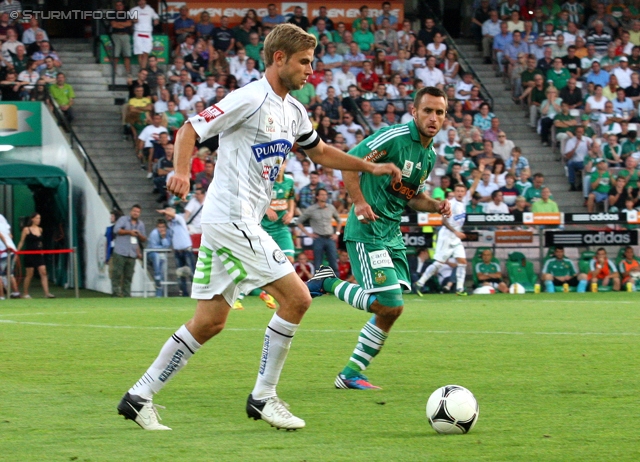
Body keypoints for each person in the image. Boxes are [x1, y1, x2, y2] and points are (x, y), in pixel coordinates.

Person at [117, 23, 402, 431]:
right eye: (304, 62)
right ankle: (263, 397)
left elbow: (319, 152)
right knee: (298, 298)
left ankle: (138, 397)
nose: (311, 70)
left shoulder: (294, 111)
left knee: (211, 320)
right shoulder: (249, 98)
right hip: (231, 217)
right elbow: (190, 129)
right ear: (279, 58)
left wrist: (368, 165)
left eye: (313, 62)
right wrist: (181, 171)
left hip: (236, 220)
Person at [304, 86, 452, 391]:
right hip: (367, 231)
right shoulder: (393, 137)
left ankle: (350, 373)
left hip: (392, 234)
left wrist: (435, 206)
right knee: (389, 302)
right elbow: (348, 163)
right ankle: (327, 282)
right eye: (428, 111)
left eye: (440, 112)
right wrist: (359, 202)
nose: (433, 117)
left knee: (393, 309)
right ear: (414, 112)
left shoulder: (429, 155)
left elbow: (412, 198)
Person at [415, 182, 468, 295]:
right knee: (439, 263)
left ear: (465, 193)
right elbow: (443, 221)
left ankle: (459, 289)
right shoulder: (450, 204)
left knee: (462, 262)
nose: (459, 193)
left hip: (455, 238)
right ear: (454, 192)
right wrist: (456, 232)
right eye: (457, 191)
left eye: (462, 191)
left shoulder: (463, 203)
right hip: (446, 237)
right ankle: (419, 283)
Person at [296, 188, 341, 274]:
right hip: (318, 238)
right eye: (322, 195)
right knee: (318, 264)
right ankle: (318, 284)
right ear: (317, 196)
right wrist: (308, 234)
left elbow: (339, 220)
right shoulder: (311, 209)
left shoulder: (331, 207)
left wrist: (337, 234)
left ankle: (337, 283)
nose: (324, 196)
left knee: (334, 263)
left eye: (325, 194)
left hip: (330, 237)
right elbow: (299, 222)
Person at [111, 204, 146, 298]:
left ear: (140, 213)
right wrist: (129, 232)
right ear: (131, 211)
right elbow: (116, 230)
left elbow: (143, 239)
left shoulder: (140, 224)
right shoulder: (123, 219)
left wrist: (138, 235)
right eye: (134, 211)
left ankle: (126, 295)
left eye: (138, 212)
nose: (136, 213)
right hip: (120, 251)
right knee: (117, 274)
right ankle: (116, 294)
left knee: (128, 276)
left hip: (132, 253)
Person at [16, 213, 54, 299]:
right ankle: (25, 293)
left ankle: (47, 293)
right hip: (29, 254)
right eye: (37, 218)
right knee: (30, 274)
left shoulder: (40, 229)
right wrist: (17, 253)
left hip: (39, 254)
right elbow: (21, 241)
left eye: (39, 218)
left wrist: (41, 250)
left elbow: (40, 242)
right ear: (32, 219)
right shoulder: (26, 229)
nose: (38, 220)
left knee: (43, 272)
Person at [131, 0, 159, 71]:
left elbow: (156, 16)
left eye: (142, 1)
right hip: (138, 32)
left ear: (145, 1)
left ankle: (143, 70)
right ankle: (142, 70)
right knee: (139, 53)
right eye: (139, 1)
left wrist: (156, 20)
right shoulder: (134, 10)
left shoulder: (150, 9)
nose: (141, 3)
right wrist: (134, 20)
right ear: (137, 2)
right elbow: (130, 19)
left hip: (147, 32)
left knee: (145, 53)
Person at [147, 218, 172, 297]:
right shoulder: (154, 233)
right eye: (159, 227)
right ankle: (157, 275)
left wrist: (164, 237)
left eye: (163, 227)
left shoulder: (168, 233)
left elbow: (167, 245)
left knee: (163, 272)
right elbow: (154, 248)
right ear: (157, 227)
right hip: (151, 254)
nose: (161, 229)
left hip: (162, 254)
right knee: (157, 256)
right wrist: (163, 248)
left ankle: (159, 295)